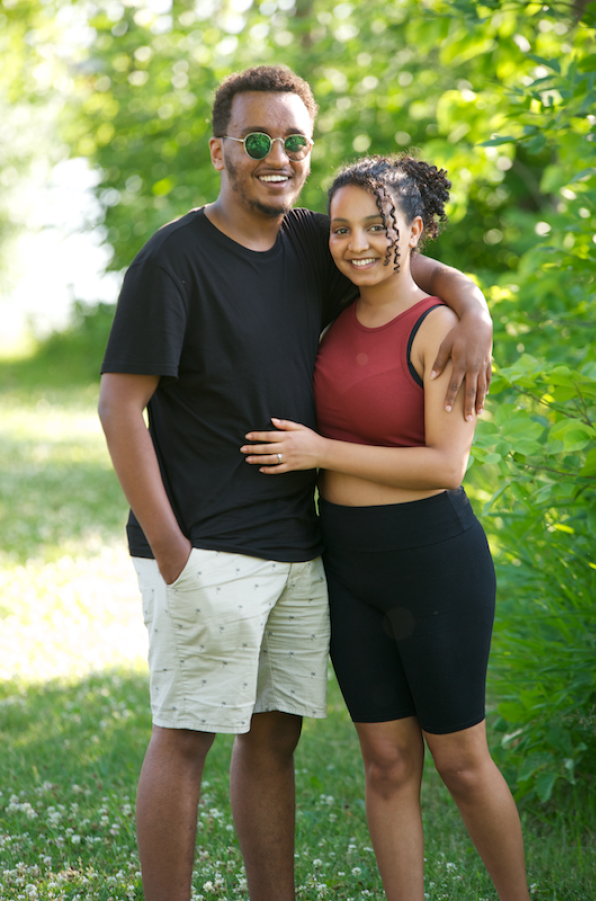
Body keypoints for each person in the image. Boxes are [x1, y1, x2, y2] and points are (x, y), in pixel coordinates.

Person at [98, 65, 493, 901]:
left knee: (273, 739)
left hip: (299, 545)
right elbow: (118, 406)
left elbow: (420, 262)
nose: (276, 155)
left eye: (294, 140)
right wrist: (172, 549)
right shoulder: (173, 259)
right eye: (256, 140)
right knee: (186, 736)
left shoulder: (312, 242)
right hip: (204, 543)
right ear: (220, 149)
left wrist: (478, 311)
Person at [242, 155, 530, 901]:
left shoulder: (441, 330)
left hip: (433, 561)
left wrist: (318, 451)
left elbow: (445, 466)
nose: (357, 243)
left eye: (379, 225)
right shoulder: (332, 317)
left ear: (418, 230)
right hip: (349, 563)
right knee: (387, 764)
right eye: (341, 228)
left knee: (462, 763)